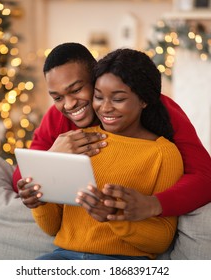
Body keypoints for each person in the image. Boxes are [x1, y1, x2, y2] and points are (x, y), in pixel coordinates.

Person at [13, 42, 211, 220]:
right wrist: (52, 158)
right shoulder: (57, 117)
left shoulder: (158, 107)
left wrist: (153, 205)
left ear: (97, 76)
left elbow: (206, 180)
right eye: (57, 97)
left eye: (76, 90)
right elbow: (19, 177)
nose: (68, 105)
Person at [32, 48, 183, 260]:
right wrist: (39, 201)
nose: (105, 108)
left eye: (118, 99)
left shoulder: (163, 154)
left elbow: (161, 240)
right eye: (98, 97)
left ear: (144, 100)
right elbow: (51, 227)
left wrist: (115, 217)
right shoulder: (76, 142)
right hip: (63, 257)